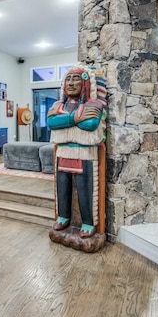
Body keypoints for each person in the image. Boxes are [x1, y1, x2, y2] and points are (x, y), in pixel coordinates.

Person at [47, 65, 107, 238]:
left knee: (85, 188)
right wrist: (75, 118)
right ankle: (63, 216)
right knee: (62, 186)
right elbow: (51, 123)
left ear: (86, 84)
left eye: (76, 79)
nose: (71, 84)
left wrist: (65, 122)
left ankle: (88, 222)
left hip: (85, 154)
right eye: (68, 79)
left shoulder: (94, 104)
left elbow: (90, 124)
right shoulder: (57, 104)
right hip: (63, 152)